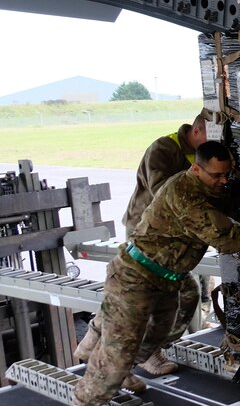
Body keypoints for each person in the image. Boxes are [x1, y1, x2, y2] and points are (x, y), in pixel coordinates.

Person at [65, 140, 240, 406]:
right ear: (195, 169)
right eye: (216, 176)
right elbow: (228, 239)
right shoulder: (184, 195)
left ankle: (124, 370)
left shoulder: (208, 189)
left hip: (165, 277)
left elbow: (225, 201)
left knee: (160, 332)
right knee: (120, 346)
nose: (223, 181)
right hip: (135, 276)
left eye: (227, 175)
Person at [74, 110, 209, 376]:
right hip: (147, 233)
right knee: (148, 296)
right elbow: (165, 192)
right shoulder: (163, 149)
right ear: (196, 131)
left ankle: (94, 343)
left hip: (170, 236)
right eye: (211, 135)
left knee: (146, 294)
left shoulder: (199, 152)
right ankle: (145, 354)